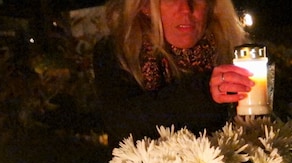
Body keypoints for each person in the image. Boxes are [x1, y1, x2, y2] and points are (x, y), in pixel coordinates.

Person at [93, 0, 253, 141]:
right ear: (146, 6)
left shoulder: (235, 54)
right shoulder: (120, 52)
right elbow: (123, 121)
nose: (185, 9)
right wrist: (205, 90)